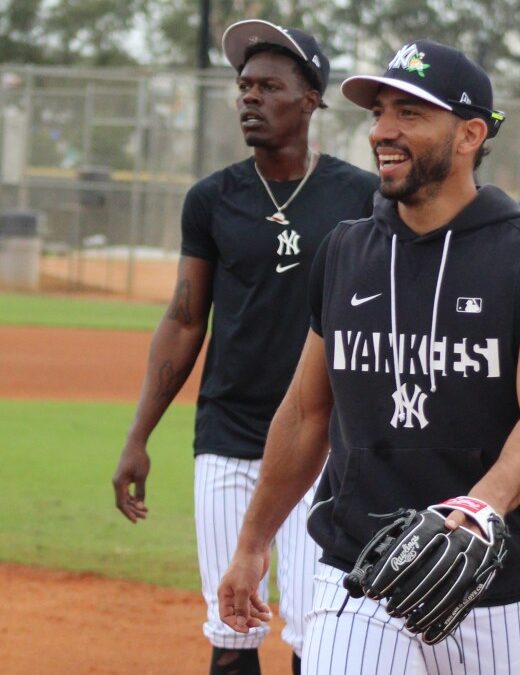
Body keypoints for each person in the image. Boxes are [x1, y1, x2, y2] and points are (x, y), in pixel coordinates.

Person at [215, 38, 520, 674]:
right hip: (360, 575)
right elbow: (307, 413)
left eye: (409, 114)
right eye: (379, 112)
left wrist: (479, 508)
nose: (383, 131)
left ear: (470, 133)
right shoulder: (344, 251)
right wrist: (252, 541)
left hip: (493, 586)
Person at [110, 20, 378, 675]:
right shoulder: (212, 199)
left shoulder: (362, 198)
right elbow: (182, 319)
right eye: (243, 85)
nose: (249, 98)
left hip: (323, 446)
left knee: (323, 637)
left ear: (311, 97)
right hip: (228, 439)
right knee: (232, 627)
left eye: (269, 85)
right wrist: (139, 432)